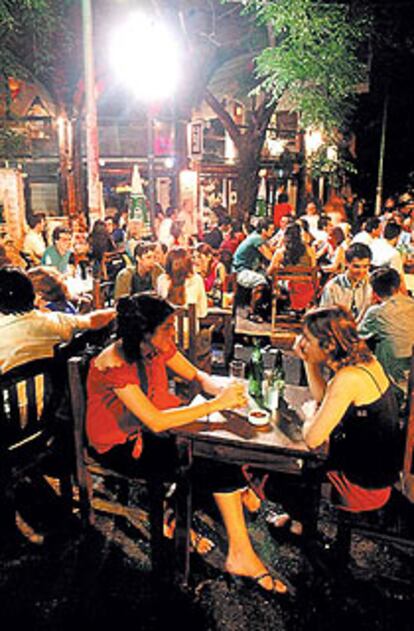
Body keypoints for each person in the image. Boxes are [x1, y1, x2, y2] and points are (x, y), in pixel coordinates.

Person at [86, 293, 288, 595]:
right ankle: (240, 552)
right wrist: (215, 405)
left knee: (221, 440)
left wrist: (231, 393)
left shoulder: (156, 347)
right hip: (121, 445)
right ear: (144, 332)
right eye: (167, 327)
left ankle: (229, 498)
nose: (173, 332)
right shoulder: (115, 363)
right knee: (213, 457)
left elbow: (198, 375)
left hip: (156, 428)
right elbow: (154, 420)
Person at [294, 306, 402, 513]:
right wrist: (308, 361)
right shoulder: (366, 361)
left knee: (276, 468)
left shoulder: (348, 378)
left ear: (329, 344)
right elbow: (324, 398)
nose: (301, 343)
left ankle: (300, 522)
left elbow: (312, 439)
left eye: (307, 338)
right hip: (379, 477)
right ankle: (298, 518)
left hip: (360, 489)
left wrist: (309, 414)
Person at [0, 267, 115, 373]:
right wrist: (117, 310)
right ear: (33, 295)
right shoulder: (57, 321)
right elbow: (93, 320)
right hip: (57, 391)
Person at [358, 267, 414, 394]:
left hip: (394, 381)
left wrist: (366, 306)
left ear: (374, 292)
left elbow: (355, 336)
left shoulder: (377, 313)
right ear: (398, 285)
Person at [232, 218, 275, 323]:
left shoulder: (258, 237)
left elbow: (271, 250)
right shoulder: (257, 239)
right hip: (241, 271)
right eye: (271, 229)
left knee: (270, 280)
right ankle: (253, 313)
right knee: (261, 282)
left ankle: (265, 311)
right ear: (264, 231)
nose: (273, 232)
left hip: (247, 269)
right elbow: (269, 256)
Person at [319, 242, 373, 321]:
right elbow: (325, 317)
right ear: (346, 263)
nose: (361, 271)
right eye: (356, 266)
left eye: (365, 266)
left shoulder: (372, 284)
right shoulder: (332, 287)